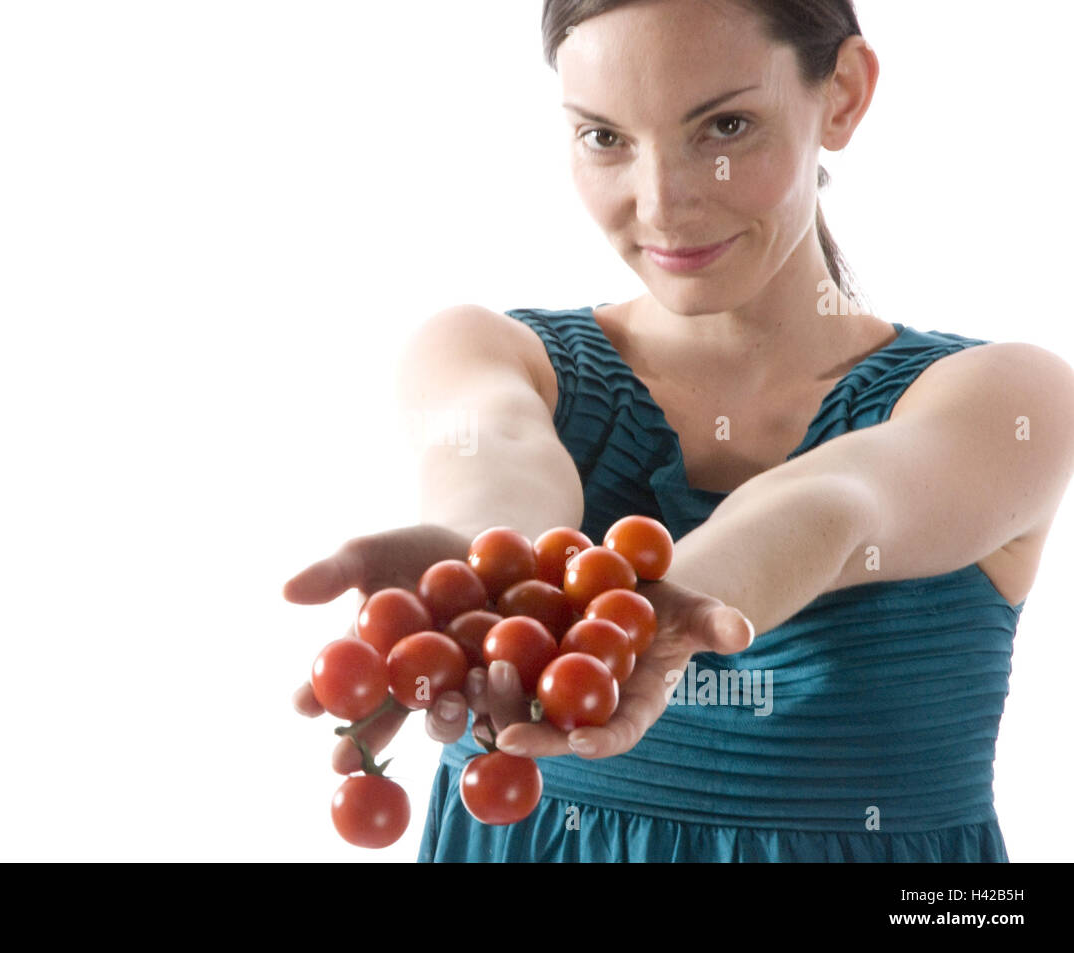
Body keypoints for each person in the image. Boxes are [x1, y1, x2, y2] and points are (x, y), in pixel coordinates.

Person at [283, 0, 1074, 861]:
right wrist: (482, 577)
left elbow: (838, 502)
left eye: (725, 126)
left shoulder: (1008, 397)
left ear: (842, 93)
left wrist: (640, 616)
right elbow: (498, 463)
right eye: (604, 138)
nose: (662, 203)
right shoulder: (480, 350)